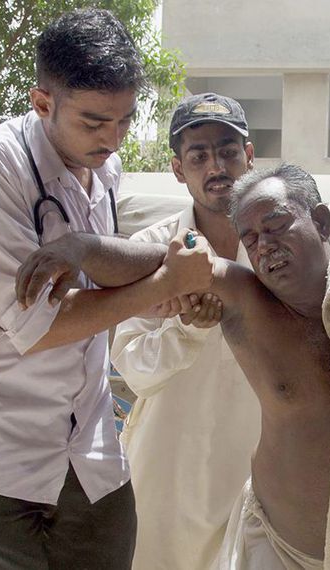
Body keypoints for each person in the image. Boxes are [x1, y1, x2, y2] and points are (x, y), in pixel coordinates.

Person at [17, 164, 330, 569]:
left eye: (276, 226)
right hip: (275, 547)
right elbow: (154, 263)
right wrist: (78, 247)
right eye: (250, 238)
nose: (264, 245)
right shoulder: (247, 298)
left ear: (321, 221)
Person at [0, 10, 213, 569]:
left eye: (125, 121)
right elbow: (39, 327)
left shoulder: (103, 171)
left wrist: (94, 252)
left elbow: (111, 276)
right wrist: (165, 279)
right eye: (94, 122)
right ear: (42, 103)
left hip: (92, 458)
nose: (113, 140)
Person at [110, 93, 261, 569]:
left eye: (228, 151)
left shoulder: (277, 253)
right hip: (167, 478)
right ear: (179, 168)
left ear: (250, 157)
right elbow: (133, 369)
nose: (215, 166)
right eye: (198, 156)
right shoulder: (149, 251)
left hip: (257, 474)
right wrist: (186, 332)